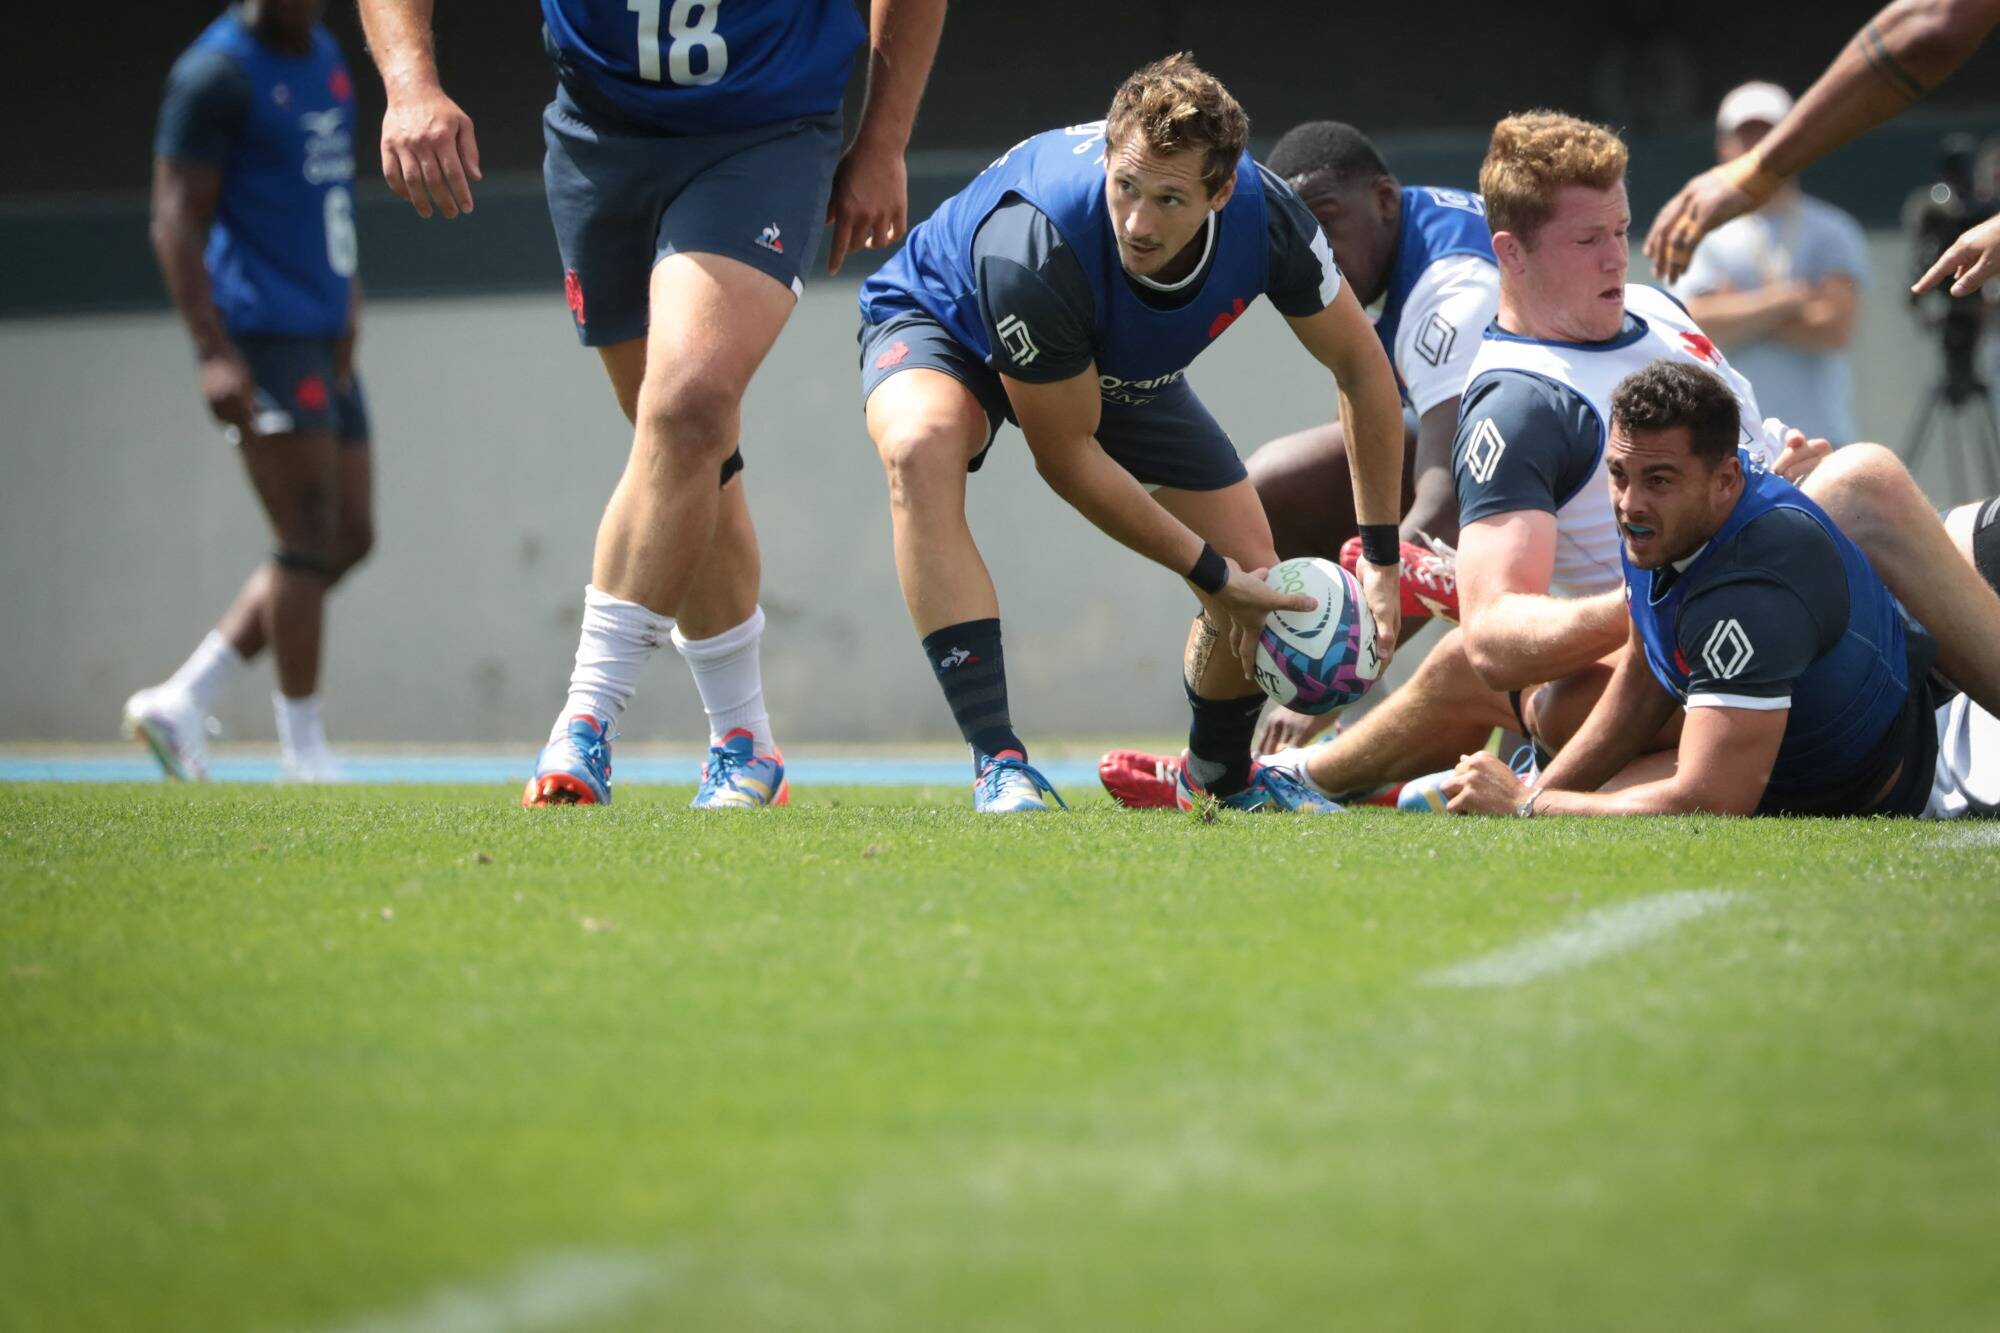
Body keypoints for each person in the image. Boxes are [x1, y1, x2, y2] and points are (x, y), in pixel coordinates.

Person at [357, 0, 945, 807]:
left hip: (763, 128)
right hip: (602, 134)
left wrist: (883, 140)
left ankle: (585, 719)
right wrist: (410, 85)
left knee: (689, 404)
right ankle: (745, 740)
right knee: (687, 449)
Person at [856, 55, 1407, 813]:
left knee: (1259, 578)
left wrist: (1381, 555)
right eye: (1126, 188)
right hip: (946, 320)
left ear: (1221, 192)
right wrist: (1209, 575)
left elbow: (1362, 368)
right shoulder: (1036, 240)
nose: (1140, 223)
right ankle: (999, 762)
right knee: (919, 446)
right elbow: (1067, 455)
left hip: (1112, 367)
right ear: (1109, 160)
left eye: (1170, 198)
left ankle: (1217, 777)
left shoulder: (1268, 215)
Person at [1097, 121, 1494, 801]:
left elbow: (1448, 507)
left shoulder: (1451, 293)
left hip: (1588, 518)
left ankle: (1319, 756)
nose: (1320, 245)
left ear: (1385, 201)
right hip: (1536, 477)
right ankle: (1274, 746)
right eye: (1302, 226)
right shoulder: (1412, 245)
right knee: (1266, 495)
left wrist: (1334, 667)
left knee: (1472, 642)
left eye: (1330, 219)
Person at [1446, 359, 2000, 818]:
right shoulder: (1660, 519)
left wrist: (1525, 806)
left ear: (1727, 480)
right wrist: (1540, 790)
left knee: (1583, 797)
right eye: (1618, 474)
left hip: (1884, 782)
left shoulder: (1754, 582)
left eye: (1658, 479)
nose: (1629, 501)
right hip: (1801, 741)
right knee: (1567, 739)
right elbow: (1645, 675)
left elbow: (1711, 800)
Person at [127, 0, 374, 783]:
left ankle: (182, 697)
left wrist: (347, 297)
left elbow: (322, 194)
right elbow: (174, 216)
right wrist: (211, 350)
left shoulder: (327, 55)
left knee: (349, 536)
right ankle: (303, 754)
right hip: (261, 330)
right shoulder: (216, 76)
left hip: (322, 326)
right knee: (305, 533)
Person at [1645, 0, 2000, 297]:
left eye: (1767, 132)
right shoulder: (1715, 237)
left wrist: (1758, 168)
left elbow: (1932, 24)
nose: (1755, 141)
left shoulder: (1832, 228)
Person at [1673, 82, 1870, 445]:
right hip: (1729, 446)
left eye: (1772, 134)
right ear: (1723, 147)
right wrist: (1789, 301)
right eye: (1746, 136)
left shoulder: (1834, 230)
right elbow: (1698, 325)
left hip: (1820, 442)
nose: (1760, 148)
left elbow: (1834, 329)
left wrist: (1740, 311)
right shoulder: (1700, 233)